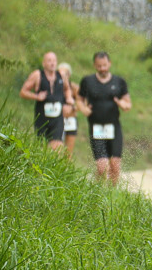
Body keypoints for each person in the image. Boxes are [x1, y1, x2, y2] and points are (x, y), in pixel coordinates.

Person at [77, 52, 132, 185]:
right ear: (95, 65)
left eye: (104, 65)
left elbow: (128, 104)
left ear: (109, 63)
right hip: (97, 128)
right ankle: (98, 191)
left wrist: (122, 104)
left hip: (114, 127)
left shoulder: (119, 82)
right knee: (102, 168)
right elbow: (79, 99)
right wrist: (83, 109)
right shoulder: (87, 81)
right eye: (99, 66)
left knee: (115, 165)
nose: (102, 68)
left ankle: (112, 194)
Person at [19, 51, 73, 150]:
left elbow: (67, 89)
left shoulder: (61, 75)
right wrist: (36, 96)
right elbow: (23, 92)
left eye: (54, 61)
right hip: (42, 117)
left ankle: (55, 164)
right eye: (49, 61)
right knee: (41, 148)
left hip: (57, 118)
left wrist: (69, 100)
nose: (52, 63)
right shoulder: (37, 75)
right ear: (44, 63)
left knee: (57, 147)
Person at [58, 62, 80, 158]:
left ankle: (66, 171)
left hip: (70, 120)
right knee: (56, 148)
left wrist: (73, 108)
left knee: (68, 152)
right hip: (57, 120)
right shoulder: (54, 87)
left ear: (69, 75)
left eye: (64, 74)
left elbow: (82, 103)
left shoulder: (74, 87)